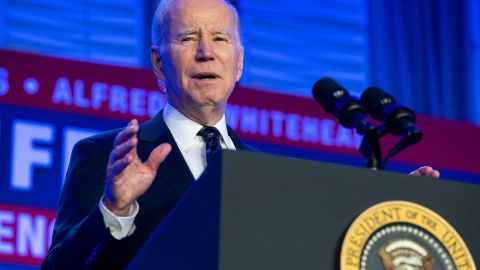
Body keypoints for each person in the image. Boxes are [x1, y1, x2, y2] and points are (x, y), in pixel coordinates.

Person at [42, 0, 439, 269]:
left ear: (239, 63)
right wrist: (115, 209)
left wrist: (382, 218)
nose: (205, 52)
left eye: (220, 39)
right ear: (159, 63)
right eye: (186, 38)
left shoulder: (266, 174)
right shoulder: (104, 156)